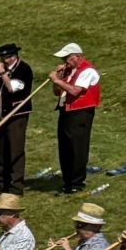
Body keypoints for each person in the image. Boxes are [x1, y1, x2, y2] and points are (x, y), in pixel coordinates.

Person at [48, 41, 101, 194]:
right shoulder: (69, 71)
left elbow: (75, 91)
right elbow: (57, 92)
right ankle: (67, 181)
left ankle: (77, 182)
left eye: (67, 58)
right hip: (65, 110)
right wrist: (58, 78)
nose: (64, 61)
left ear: (77, 56)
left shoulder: (87, 70)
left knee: (77, 147)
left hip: (80, 112)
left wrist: (57, 80)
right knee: (64, 146)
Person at [0, 43, 33, 195]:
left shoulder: (23, 69)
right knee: (2, 150)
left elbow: (12, 88)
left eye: (5, 57)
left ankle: (16, 186)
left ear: (13, 57)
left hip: (17, 114)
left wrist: (3, 73)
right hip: (3, 114)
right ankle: (2, 183)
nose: (2, 60)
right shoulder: (3, 69)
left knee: (15, 149)